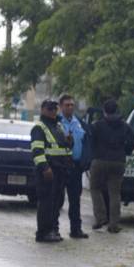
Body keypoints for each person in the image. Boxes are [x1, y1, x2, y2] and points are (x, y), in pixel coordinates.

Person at [88, 99, 134, 233]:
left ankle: (100, 218)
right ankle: (114, 224)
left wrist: (93, 155)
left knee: (95, 189)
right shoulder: (125, 126)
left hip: (99, 161)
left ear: (104, 111)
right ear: (117, 110)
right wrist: (125, 152)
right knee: (114, 193)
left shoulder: (97, 125)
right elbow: (132, 142)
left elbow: (90, 141)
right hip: (118, 161)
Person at [30, 99, 74, 243]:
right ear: (42, 110)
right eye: (50, 109)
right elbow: (37, 150)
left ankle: (53, 230)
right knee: (46, 203)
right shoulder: (39, 128)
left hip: (60, 171)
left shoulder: (58, 126)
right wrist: (45, 168)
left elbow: (63, 148)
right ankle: (43, 232)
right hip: (47, 171)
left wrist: (69, 142)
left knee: (56, 202)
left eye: (55, 109)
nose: (53, 111)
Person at [57, 94, 91, 238]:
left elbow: (87, 143)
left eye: (72, 105)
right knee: (57, 199)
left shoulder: (80, 123)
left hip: (76, 167)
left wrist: (85, 161)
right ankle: (53, 228)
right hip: (60, 166)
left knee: (75, 200)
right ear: (61, 106)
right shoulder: (57, 123)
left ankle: (76, 229)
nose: (70, 107)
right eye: (67, 105)